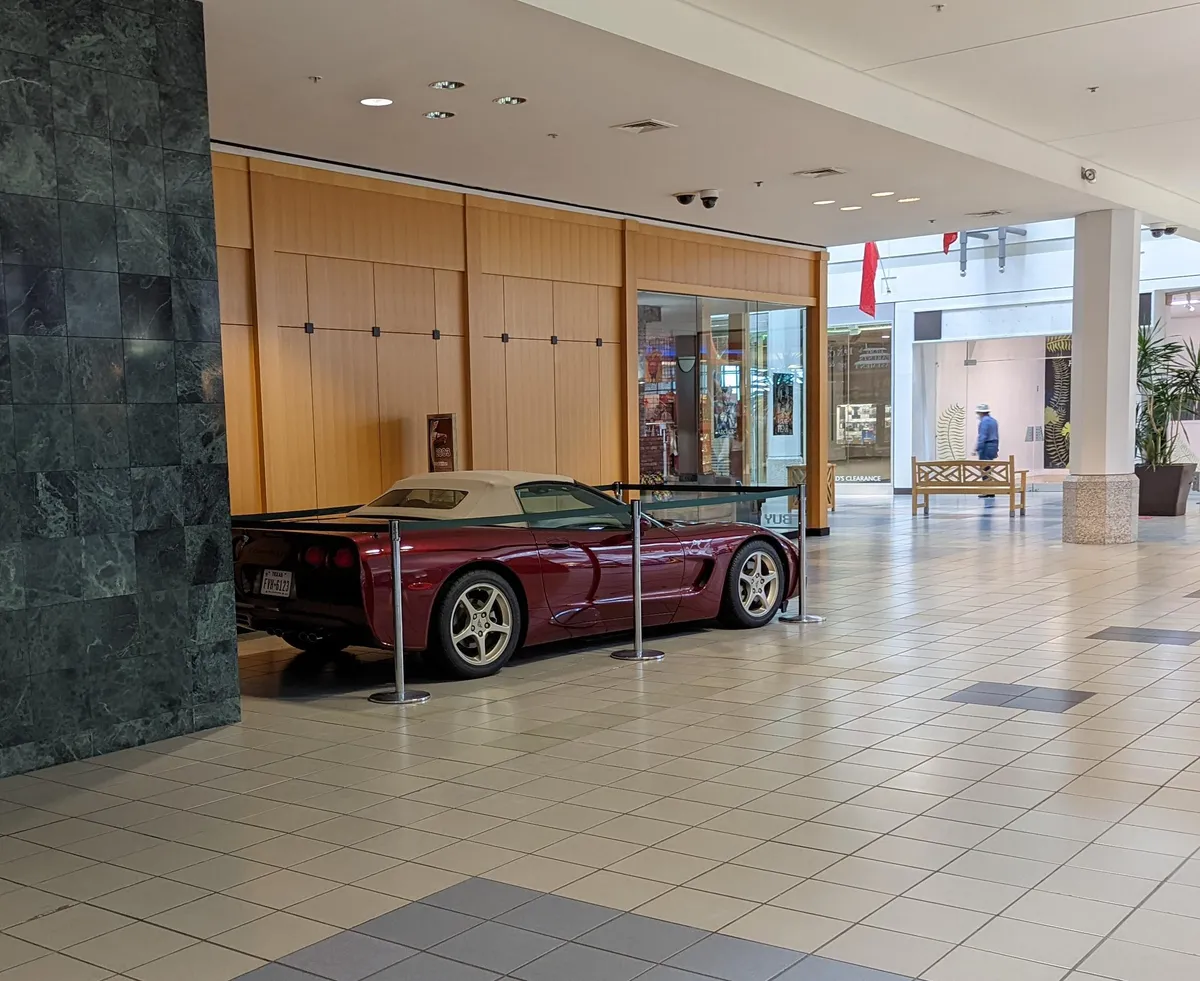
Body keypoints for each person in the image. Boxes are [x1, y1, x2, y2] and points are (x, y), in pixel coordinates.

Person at [975, 404, 999, 498]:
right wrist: (996, 449)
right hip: (993, 445)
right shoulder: (994, 421)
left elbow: (982, 436)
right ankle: (990, 489)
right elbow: (997, 436)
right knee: (988, 469)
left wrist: (978, 447)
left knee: (984, 469)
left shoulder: (984, 422)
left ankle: (986, 490)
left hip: (986, 446)